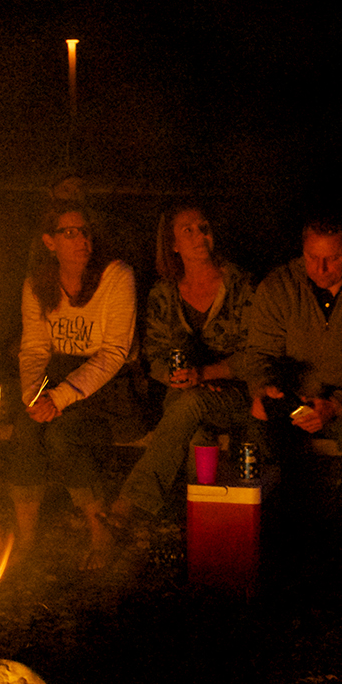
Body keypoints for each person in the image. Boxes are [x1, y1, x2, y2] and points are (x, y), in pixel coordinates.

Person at [239, 216, 342, 539]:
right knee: (256, 435)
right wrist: (264, 389)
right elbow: (260, 352)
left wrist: (337, 403)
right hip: (291, 397)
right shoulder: (280, 286)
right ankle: (269, 540)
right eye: (312, 257)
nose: (321, 268)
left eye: (333, 258)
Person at [110, 205, 254, 525]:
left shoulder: (241, 285)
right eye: (187, 230)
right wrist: (175, 377)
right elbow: (155, 355)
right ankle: (202, 529)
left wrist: (205, 374)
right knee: (196, 435)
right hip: (186, 395)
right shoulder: (164, 293)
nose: (199, 236)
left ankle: (132, 500)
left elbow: (258, 353)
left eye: (203, 227)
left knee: (189, 402)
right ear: (172, 243)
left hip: (239, 395)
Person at [11, 200, 135, 569]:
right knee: (25, 430)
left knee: (61, 435)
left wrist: (60, 397)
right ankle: (26, 536)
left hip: (110, 383)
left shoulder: (116, 276)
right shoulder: (36, 284)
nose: (81, 239)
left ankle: (101, 532)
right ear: (50, 242)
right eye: (69, 232)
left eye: (84, 231)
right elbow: (33, 347)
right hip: (55, 376)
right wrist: (34, 395)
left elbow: (114, 352)